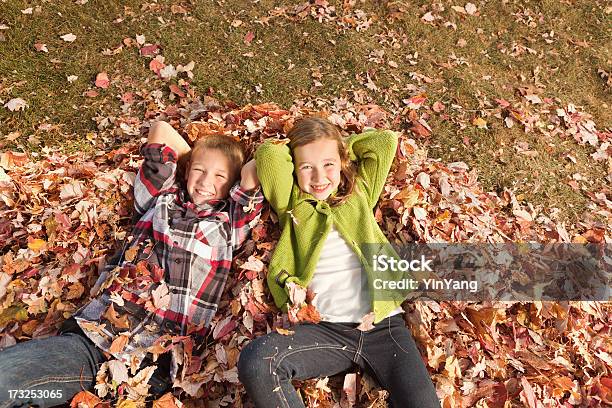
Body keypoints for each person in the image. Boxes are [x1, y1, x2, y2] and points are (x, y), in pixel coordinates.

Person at [0, 121, 264, 407]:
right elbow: (161, 130)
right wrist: (196, 157)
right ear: (186, 171)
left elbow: (257, 169)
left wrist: (217, 166)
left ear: (232, 185)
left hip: (153, 366)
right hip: (97, 338)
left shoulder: (231, 225)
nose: (204, 182)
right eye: (199, 171)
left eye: (219, 176)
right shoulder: (159, 200)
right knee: (7, 382)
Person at [237, 117, 440, 408]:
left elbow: (383, 142)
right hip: (326, 331)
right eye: (307, 167)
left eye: (328, 165)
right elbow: (269, 155)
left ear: (343, 161)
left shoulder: (359, 194)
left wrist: (337, 149)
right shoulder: (292, 203)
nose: (319, 177)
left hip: (385, 328)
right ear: (295, 168)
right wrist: (304, 152)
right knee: (258, 361)